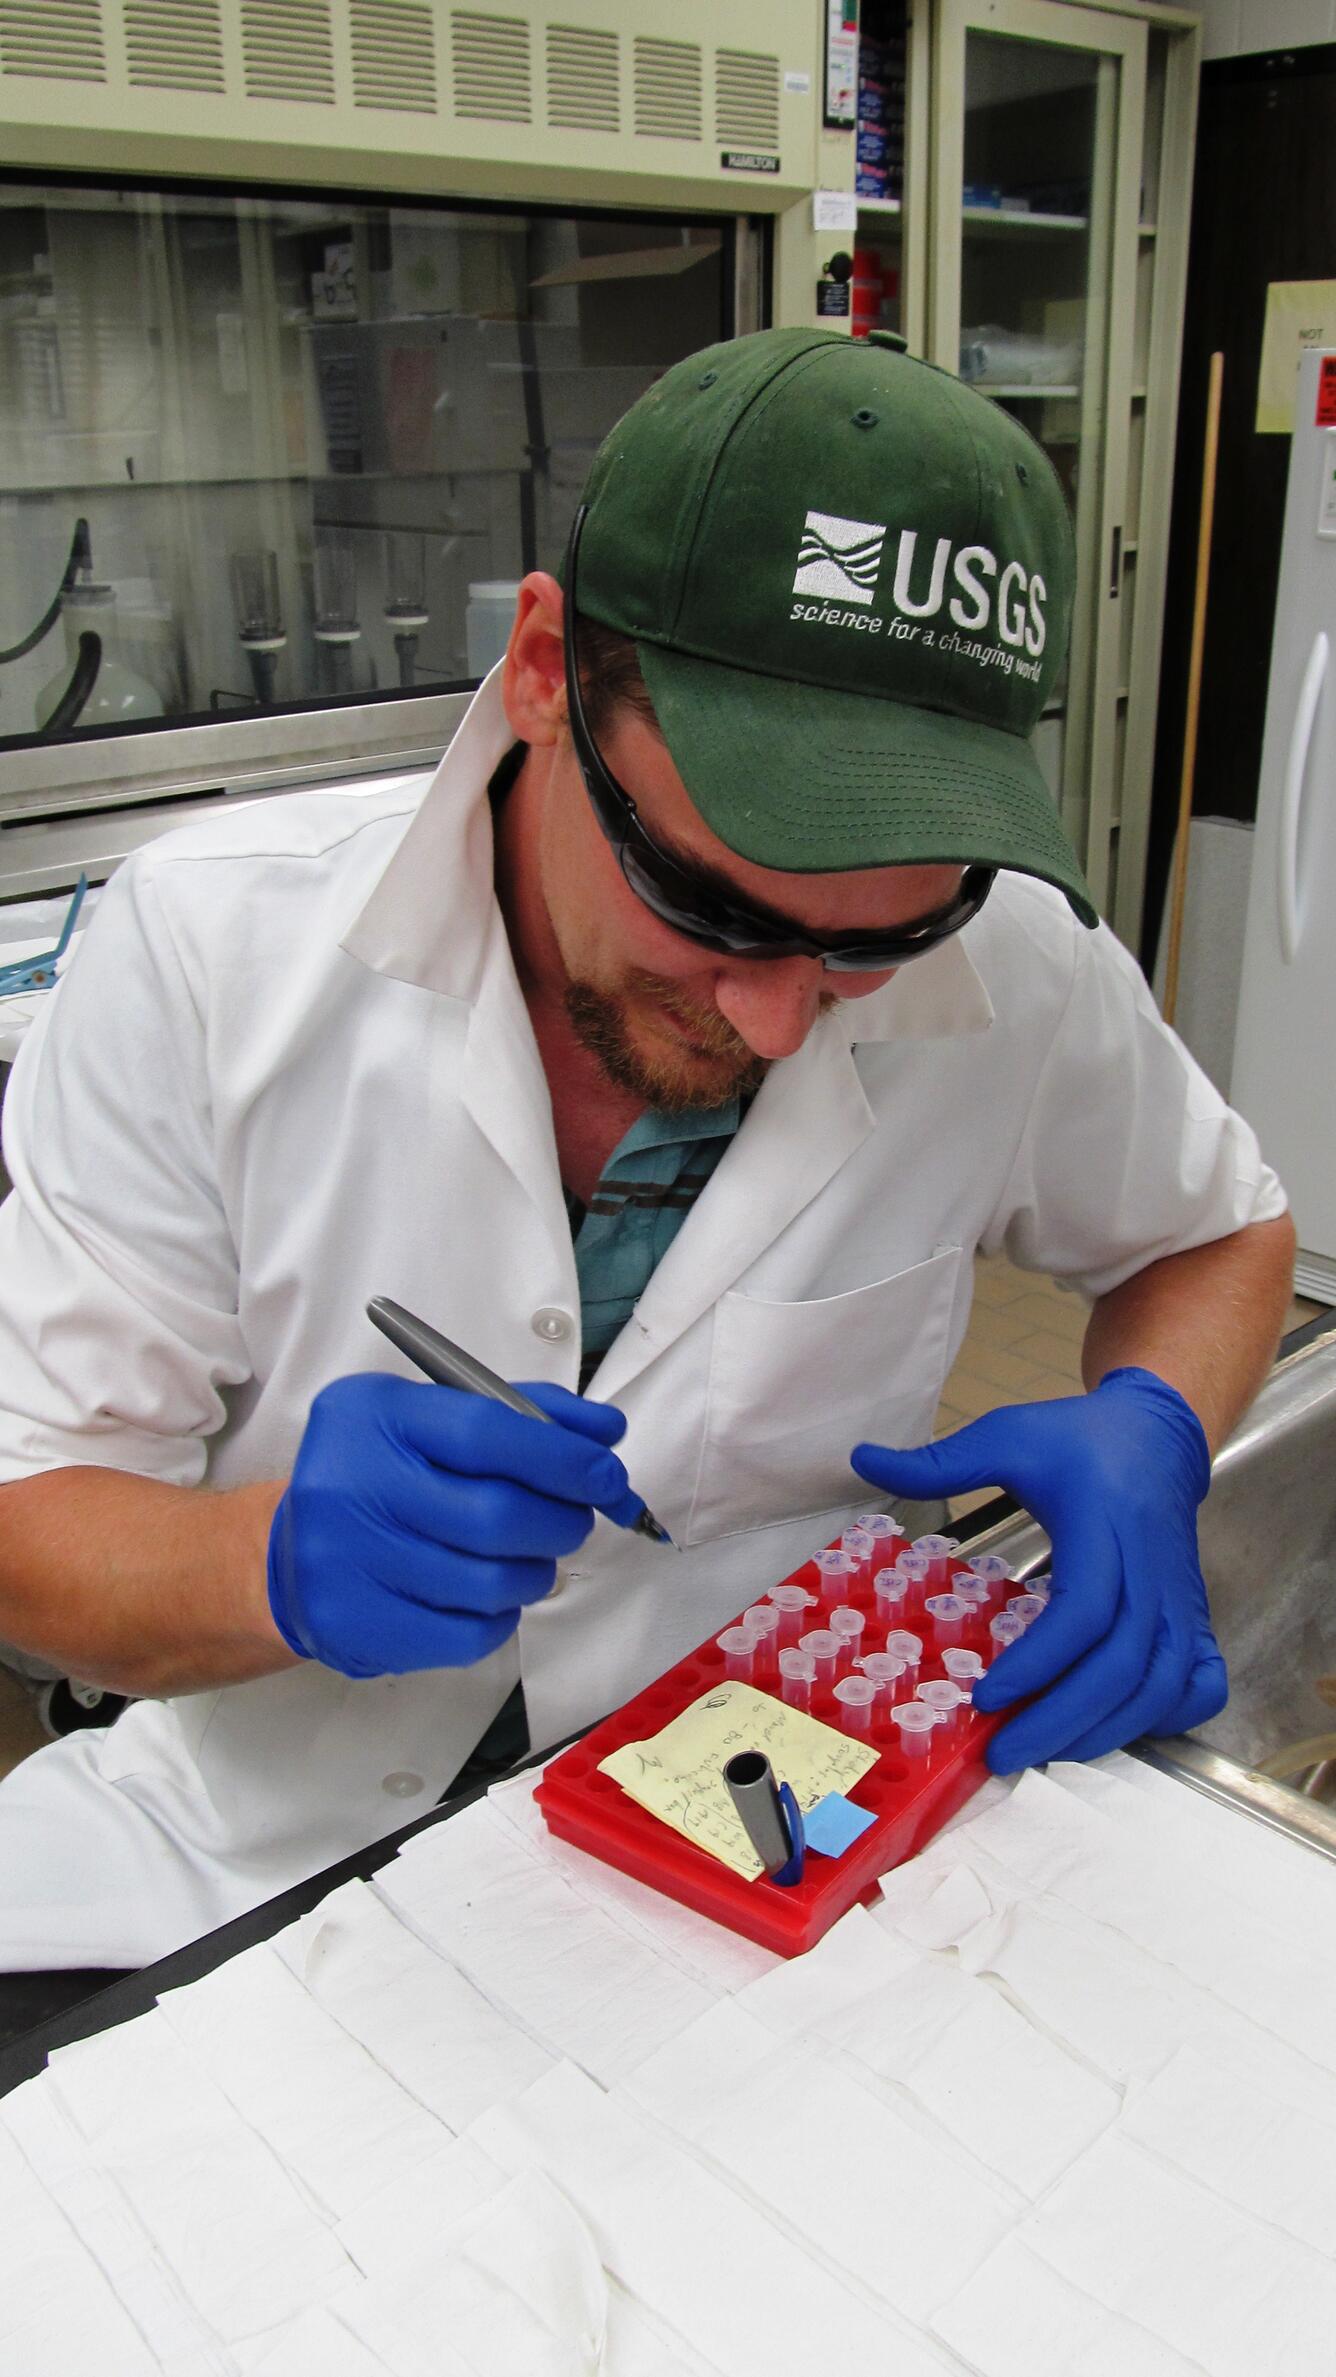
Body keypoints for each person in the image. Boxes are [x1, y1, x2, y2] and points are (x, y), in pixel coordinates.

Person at [0, 327, 1293, 1974]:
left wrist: (1155, 1421)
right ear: (544, 670)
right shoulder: (207, 953)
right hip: (245, 1863)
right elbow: (30, 1515)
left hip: (751, 1842)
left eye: (870, 945)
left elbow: (1218, 1229)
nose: (775, 1021)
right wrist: (262, 1561)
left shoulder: (1015, 968)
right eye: (708, 902)